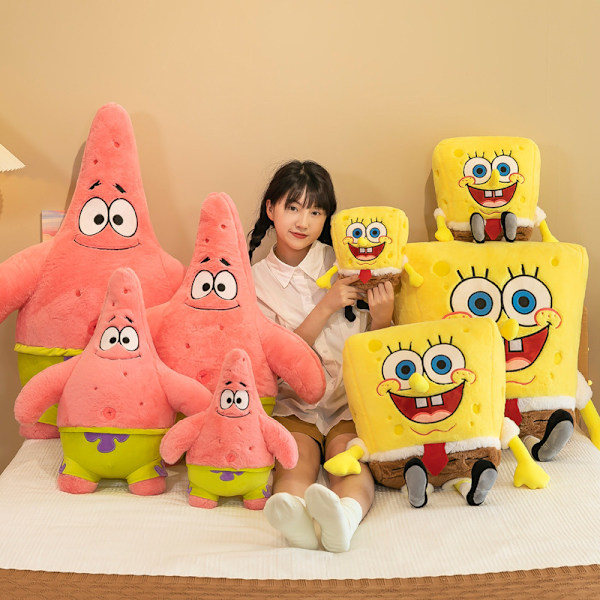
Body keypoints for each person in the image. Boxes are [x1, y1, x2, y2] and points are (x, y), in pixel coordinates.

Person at [248, 160, 395, 552]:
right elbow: (275, 362)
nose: (303, 222)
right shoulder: (254, 282)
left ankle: (345, 519)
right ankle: (295, 522)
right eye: (293, 207)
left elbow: (378, 355)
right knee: (296, 464)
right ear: (271, 209)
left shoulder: (348, 262)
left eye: (315, 211)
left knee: (349, 461)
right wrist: (326, 305)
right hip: (294, 401)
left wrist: (383, 319)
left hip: (348, 400)